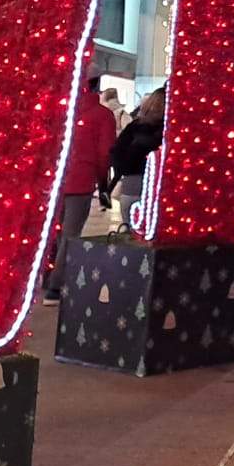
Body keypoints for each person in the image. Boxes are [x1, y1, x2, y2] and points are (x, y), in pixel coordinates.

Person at [47, 77, 118, 302]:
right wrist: (103, 183)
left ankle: (48, 278)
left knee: (54, 234)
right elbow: (104, 153)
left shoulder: (59, 111)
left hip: (54, 182)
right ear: (97, 85)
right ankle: (56, 287)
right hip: (81, 181)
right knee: (70, 235)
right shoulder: (102, 115)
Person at [109, 88, 165, 216]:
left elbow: (117, 154)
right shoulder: (168, 132)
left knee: (129, 230)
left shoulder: (134, 127)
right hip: (158, 187)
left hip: (131, 185)